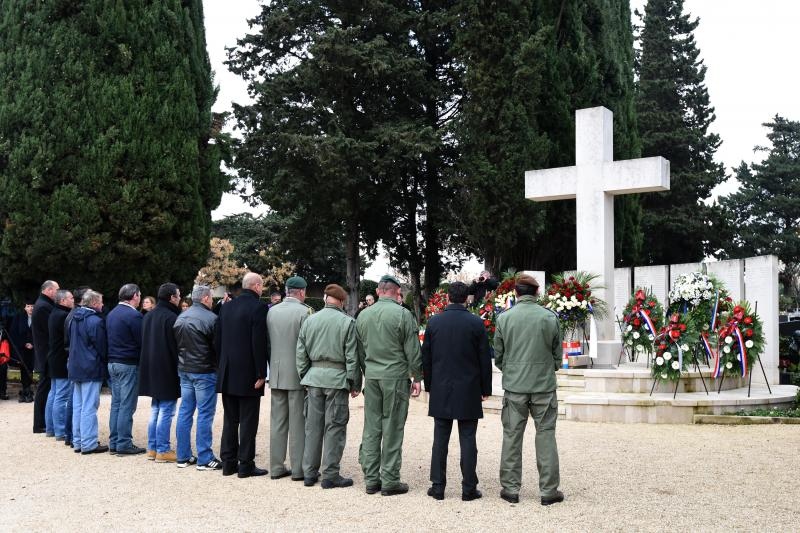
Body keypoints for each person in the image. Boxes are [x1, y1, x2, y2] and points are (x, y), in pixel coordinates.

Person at [494, 274, 564, 506]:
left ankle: (511, 489)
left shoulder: (505, 318)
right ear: (536, 293)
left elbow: (499, 356)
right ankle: (549, 490)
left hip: (515, 387)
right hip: (543, 386)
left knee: (512, 436)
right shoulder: (549, 317)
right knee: (545, 435)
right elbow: (557, 356)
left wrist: (511, 370)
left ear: (516, 293)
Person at [421, 281, 492, 501]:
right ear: (466, 299)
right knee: (468, 439)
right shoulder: (475, 323)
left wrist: (430, 385)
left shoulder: (434, 322)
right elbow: (484, 359)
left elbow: (427, 358)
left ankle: (438, 486)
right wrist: (485, 388)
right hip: (469, 388)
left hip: (442, 387)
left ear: (448, 297)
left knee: (440, 439)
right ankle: (469, 488)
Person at [355, 274, 423, 496]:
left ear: (378, 291)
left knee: (372, 428)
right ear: (397, 292)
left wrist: (368, 372)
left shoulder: (363, 316)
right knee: (392, 428)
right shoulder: (403, 315)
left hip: (373, 376)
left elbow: (360, 351)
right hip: (394, 377)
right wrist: (417, 377)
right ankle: (390, 479)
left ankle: (371, 478)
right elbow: (412, 350)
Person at [296, 283, 361, 489]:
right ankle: (330, 474)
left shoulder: (310, 320)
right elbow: (352, 357)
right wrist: (354, 383)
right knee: (334, 427)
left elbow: (301, 352)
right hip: (337, 379)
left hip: (314, 378)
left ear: (325, 299)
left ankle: (309, 472)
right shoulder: (347, 322)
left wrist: (305, 375)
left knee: (312, 427)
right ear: (341, 301)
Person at [215, 272, 269, 478]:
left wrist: (221, 365)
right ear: (255, 286)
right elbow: (258, 342)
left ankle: (228, 463)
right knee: (248, 421)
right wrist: (261, 373)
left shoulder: (226, 307)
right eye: (261, 286)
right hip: (248, 373)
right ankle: (245, 464)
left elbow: (218, 340)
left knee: (230, 420)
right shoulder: (258, 307)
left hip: (227, 371)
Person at [267, 276, 313, 482]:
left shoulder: (271, 311)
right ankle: (298, 469)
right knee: (297, 423)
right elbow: (308, 346)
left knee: (277, 422)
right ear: (302, 292)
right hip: (297, 373)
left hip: (276, 373)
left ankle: (276, 467)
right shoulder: (305, 312)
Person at [174, 285, 222, 471]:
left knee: (185, 411)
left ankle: (183, 455)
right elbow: (217, 347)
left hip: (185, 368)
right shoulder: (211, 319)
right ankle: (204, 457)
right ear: (204, 298)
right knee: (204, 413)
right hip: (204, 370)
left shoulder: (181, 317)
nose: (212, 301)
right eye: (211, 298)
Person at [139, 283, 181, 463]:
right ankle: (163, 449)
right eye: (178, 295)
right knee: (166, 410)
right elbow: (176, 346)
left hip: (150, 366)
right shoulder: (171, 317)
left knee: (156, 408)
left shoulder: (149, 316)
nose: (179, 299)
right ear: (172, 297)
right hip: (166, 367)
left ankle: (152, 447)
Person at [106, 283, 145, 456]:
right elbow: (141, 340)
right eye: (139, 295)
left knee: (117, 404)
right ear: (134, 296)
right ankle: (123, 442)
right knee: (127, 405)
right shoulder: (133, 316)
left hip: (113, 361)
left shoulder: (112, 313)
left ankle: (115, 441)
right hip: (128, 363)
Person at [68, 289, 109, 454]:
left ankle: (78, 441)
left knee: (78, 406)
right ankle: (89, 442)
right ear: (93, 303)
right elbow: (101, 346)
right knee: (89, 406)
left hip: (76, 365)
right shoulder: (94, 321)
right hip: (91, 367)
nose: (102, 304)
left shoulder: (73, 318)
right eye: (100, 301)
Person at [47, 289, 75, 445]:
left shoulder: (54, 313)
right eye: (71, 298)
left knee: (55, 393)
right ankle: (59, 430)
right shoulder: (63, 315)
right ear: (63, 301)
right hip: (60, 358)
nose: (73, 300)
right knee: (61, 395)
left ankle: (51, 428)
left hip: (54, 357)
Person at [33, 280, 59, 434]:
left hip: (46, 353)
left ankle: (43, 422)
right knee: (44, 388)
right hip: (47, 354)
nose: (58, 292)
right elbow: (51, 331)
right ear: (49, 290)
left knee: (47, 388)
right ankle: (39, 423)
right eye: (57, 290)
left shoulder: (43, 304)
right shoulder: (44, 307)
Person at [9, 302, 35, 402]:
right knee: (24, 368)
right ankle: (26, 389)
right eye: (28, 306)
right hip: (22, 349)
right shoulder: (18, 317)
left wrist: (32, 343)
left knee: (31, 367)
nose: (31, 308)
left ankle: (28, 389)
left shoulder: (38, 317)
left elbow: (41, 332)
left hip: (34, 348)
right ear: (25, 307)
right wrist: (24, 343)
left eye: (32, 306)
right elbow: (13, 333)